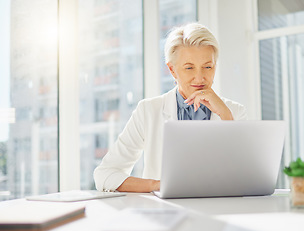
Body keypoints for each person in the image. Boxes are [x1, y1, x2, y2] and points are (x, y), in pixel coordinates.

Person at [94, 22, 248, 193]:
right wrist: (157, 185)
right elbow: (104, 175)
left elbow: (247, 178)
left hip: (218, 211)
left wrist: (226, 116)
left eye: (208, 67)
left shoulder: (234, 112)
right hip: (166, 213)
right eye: (189, 68)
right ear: (172, 70)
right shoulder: (148, 111)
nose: (200, 77)